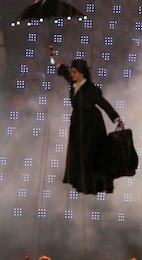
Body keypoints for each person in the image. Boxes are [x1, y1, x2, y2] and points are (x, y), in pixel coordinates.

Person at [51, 48, 123, 194]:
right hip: (78, 123)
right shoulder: (73, 82)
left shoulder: (91, 89)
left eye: (74, 72)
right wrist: (54, 56)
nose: (71, 74)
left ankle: (91, 183)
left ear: (81, 73)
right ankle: (79, 180)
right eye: (72, 72)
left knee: (90, 154)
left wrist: (116, 118)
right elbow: (62, 69)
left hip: (91, 125)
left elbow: (104, 104)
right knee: (78, 153)